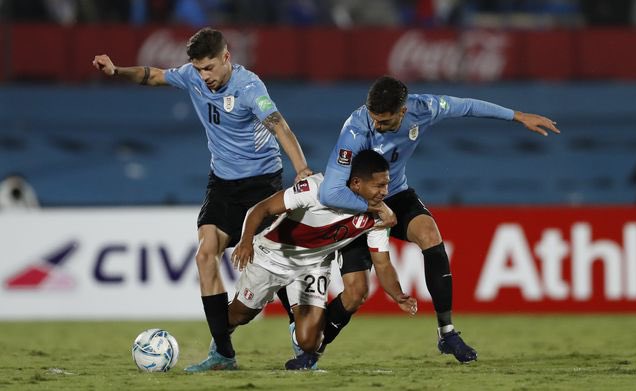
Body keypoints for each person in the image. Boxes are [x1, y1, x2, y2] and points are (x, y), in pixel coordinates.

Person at [281, 75, 561, 364]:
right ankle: (312, 351)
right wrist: (376, 210)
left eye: (385, 121)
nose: (376, 125)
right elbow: (330, 193)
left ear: (403, 112)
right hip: (354, 206)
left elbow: (465, 106)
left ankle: (447, 333)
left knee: (429, 234)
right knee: (355, 294)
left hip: (395, 194)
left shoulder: (424, 108)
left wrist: (517, 116)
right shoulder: (355, 129)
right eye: (374, 118)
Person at [92, 28, 314, 372]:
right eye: (198, 69)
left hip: (262, 184)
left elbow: (279, 126)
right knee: (205, 255)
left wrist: (301, 170)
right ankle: (223, 354)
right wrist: (116, 71)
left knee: (276, 265)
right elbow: (153, 76)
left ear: (227, 58)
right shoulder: (193, 78)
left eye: (209, 67)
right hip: (223, 184)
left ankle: (302, 341)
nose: (204, 76)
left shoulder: (249, 87)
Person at [219, 149, 417, 371]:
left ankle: (296, 312)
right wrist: (246, 241)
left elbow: (382, 263)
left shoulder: (378, 216)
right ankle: (219, 347)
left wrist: (398, 295)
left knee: (309, 342)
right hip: (273, 256)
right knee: (239, 315)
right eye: (379, 186)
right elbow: (261, 209)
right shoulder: (316, 187)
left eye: (387, 184)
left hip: (313, 265)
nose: (385, 191)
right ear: (357, 183)